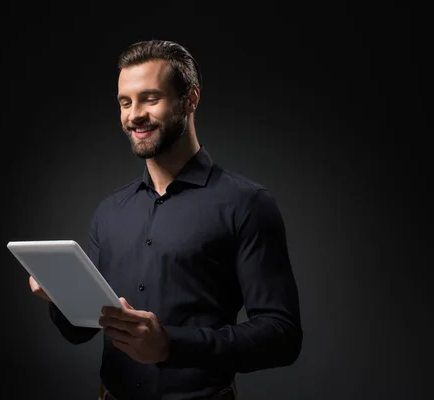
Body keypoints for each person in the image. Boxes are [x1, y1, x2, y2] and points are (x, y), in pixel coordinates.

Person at [29, 39, 302, 400]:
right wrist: (60, 297)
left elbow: (281, 336)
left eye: (150, 98)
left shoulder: (247, 204)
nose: (134, 115)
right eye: (125, 102)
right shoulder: (110, 211)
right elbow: (81, 332)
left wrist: (171, 345)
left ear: (190, 99)